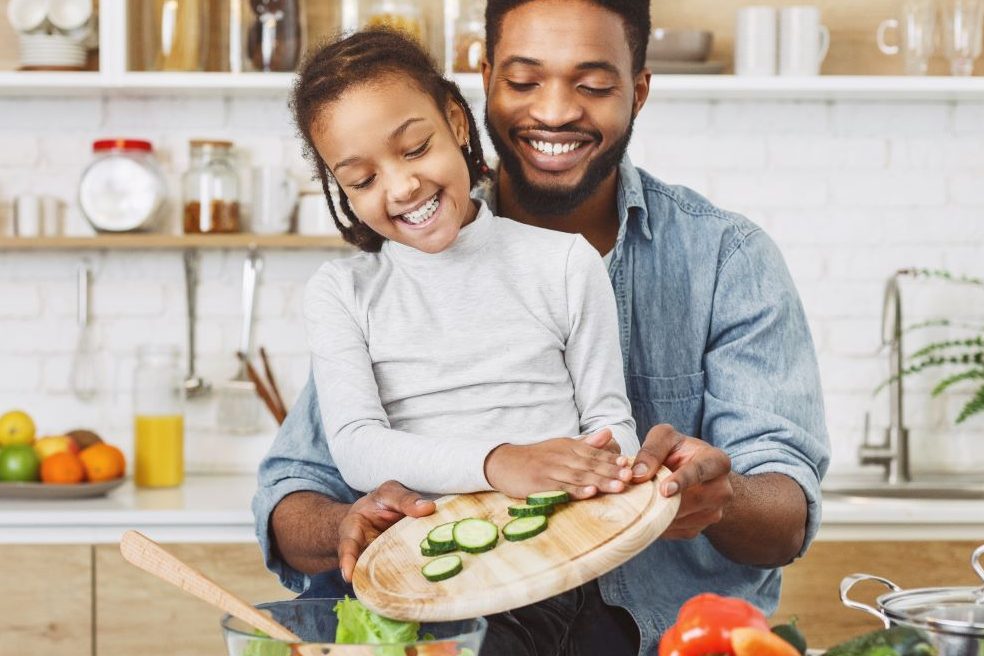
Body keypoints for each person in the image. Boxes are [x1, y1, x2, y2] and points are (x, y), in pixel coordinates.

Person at [253, 1, 831, 654]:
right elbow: (295, 493)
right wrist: (347, 526)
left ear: (638, 89)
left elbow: (785, 517)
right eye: (525, 81)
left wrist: (716, 496)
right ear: (483, 78)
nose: (554, 112)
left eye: (592, 85)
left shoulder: (722, 258)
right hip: (444, 607)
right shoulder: (362, 289)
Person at [299, 28, 639, 505]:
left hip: (562, 543)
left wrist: (600, 463)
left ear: (457, 122)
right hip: (425, 560)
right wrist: (498, 463)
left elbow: (613, 426)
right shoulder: (341, 291)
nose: (400, 188)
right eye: (363, 179)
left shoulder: (565, 263)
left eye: (416, 148)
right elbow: (357, 448)